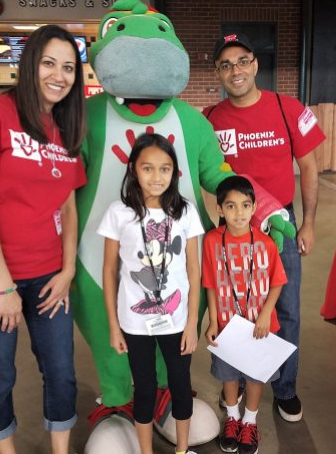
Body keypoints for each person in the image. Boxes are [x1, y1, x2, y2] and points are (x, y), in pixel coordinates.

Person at [0, 25, 86, 454]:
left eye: (68, 67)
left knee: (62, 371)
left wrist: (67, 270)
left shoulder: (66, 129)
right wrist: (5, 287)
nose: (58, 75)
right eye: (49, 63)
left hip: (48, 274)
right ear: (30, 64)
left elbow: (67, 207)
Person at [205, 33, 325, 422]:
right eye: (226, 65)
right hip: (233, 229)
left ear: (255, 65)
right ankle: (236, 384)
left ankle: (284, 387)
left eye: (242, 61)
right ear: (218, 73)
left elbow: (309, 167)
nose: (235, 70)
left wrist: (307, 223)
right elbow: (205, 175)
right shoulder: (211, 118)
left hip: (280, 226)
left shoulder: (287, 108)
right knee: (233, 309)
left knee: (285, 310)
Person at [99, 133, 203, 454]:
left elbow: (194, 270)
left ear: (174, 173)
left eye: (165, 169)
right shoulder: (119, 213)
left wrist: (191, 325)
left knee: (181, 386)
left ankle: (182, 450)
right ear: (133, 169)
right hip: (134, 323)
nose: (156, 177)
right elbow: (109, 272)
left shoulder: (184, 212)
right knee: (143, 390)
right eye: (148, 169)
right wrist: (115, 326)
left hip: (177, 322)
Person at [203, 176, 287, 454]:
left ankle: (249, 421)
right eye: (231, 206)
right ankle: (232, 418)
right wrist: (213, 321)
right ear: (219, 209)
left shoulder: (265, 243)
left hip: (260, 327)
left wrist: (265, 314)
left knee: (254, 376)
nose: (239, 213)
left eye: (245, 205)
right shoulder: (212, 242)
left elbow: (277, 281)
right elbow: (211, 285)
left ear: (254, 209)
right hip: (227, 326)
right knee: (228, 375)